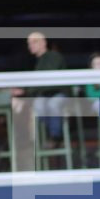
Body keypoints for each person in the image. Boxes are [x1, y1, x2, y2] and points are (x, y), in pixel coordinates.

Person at [11, 32, 69, 169]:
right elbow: (37, 84)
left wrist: (25, 92)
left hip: (59, 94)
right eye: (29, 43)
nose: (30, 46)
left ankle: (55, 138)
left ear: (43, 42)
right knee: (38, 104)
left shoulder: (53, 56)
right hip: (44, 97)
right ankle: (47, 137)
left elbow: (46, 80)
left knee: (53, 104)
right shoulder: (36, 61)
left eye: (34, 42)